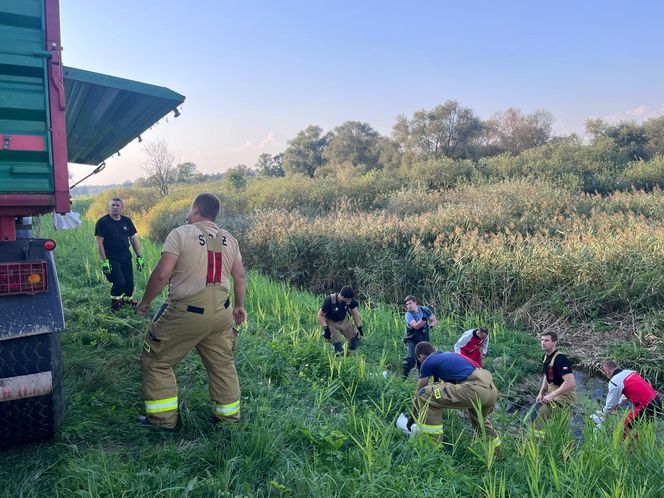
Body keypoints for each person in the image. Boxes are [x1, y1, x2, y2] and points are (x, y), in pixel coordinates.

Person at [136, 193, 246, 431]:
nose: (188, 213)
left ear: (196, 208)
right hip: (222, 312)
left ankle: (162, 422)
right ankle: (228, 421)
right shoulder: (227, 239)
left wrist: (145, 302)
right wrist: (239, 306)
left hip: (187, 311)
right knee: (222, 364)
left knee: (156, 361)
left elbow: (161, 274)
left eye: (190, 208)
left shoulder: (181, 234)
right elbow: (240, 276)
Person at [407, 342, 501, 451]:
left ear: (421, 356)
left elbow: (420, 392)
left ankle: (432, 449)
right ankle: (497, 455)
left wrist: (412, 416)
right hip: (490, 391)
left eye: (419, 360)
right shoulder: (449, 356)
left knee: (425, 395)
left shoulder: (428, 361)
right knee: (480, 421)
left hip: (474, 389)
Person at [95, 197, 145, 312]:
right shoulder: (102, 222)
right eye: (113, 205)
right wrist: (104, 261)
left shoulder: (127, 221)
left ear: (122, 208)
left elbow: (133, 239)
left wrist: (139, 257)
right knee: (119, 281)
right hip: (111, 257)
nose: (115, 207)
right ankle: (116, 302)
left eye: (117, 205)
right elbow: (99, 242)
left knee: (129, 282)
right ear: (109, 207)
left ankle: (127, 300)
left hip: (125, 256)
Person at [529, 332, 576, 436]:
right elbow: (547, 375)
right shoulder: (546, 357)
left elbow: (570, 382)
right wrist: (541, 392)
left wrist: (552, 395)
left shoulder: (560, 359)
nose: (543, 343)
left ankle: (538, 443)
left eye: (546, 340)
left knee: (539, 411)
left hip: (564, 397)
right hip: (553, 393)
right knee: (537, 413)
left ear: (554, 342)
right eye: (542, 340)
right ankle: (539, 441)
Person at [600, 360, 662, 438]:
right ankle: (639, 446)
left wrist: (603, 415)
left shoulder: (614, 382)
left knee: (623, 429)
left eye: (605, 373)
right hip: (657, 403)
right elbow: (630, 392)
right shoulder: (630, 373)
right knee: (640, 429)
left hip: (646, 407)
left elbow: (610, 405)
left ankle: (625, 448)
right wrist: (619, 404)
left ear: (607, 371)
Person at [318, 286, 364, 355]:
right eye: (349, 300)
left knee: (355, 343)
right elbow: (320, 315)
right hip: (331, 323)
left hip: (344, 321)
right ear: (342, 296)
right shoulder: (329, 300)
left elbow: (355, 314)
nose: (350, 301)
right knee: (338, 350)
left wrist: (359, 328)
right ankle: (335, 351)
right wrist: (326, 328)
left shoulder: (350, 300)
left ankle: (347, 353)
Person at [402, 295, 437, 379]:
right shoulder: (408, 315)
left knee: (424, 359)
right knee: (411, 358)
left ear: (415, 303)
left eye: (410, 303)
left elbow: (434, 320)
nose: (409, 306)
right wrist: (424, 319)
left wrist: (430, 326)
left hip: (423, 337)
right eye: (407, 304)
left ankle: (422, 379)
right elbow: (416, 326)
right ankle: (403, 377)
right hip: (411, 338)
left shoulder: (423, 309)